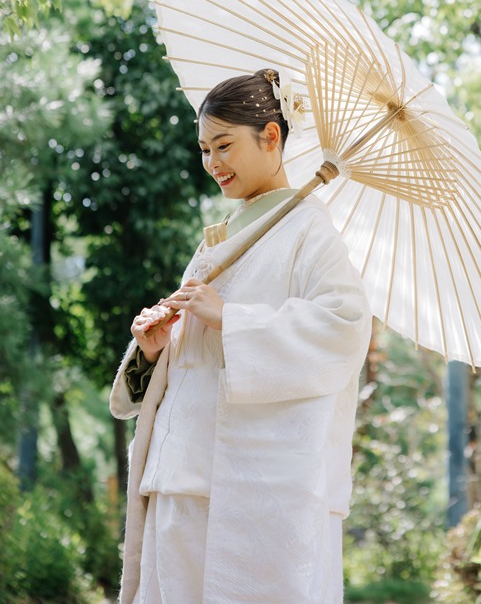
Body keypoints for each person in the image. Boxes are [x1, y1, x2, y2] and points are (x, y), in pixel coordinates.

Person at [110, 68, 372, 604]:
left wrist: (231, 317)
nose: (212, 163)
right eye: (205, 149)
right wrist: (155, 350)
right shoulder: (223, 238)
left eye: (224, 145)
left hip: (257, 483)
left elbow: (345, 327)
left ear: (271, 137)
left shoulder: (310, 230)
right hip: (180, 474)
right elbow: (194, 357)